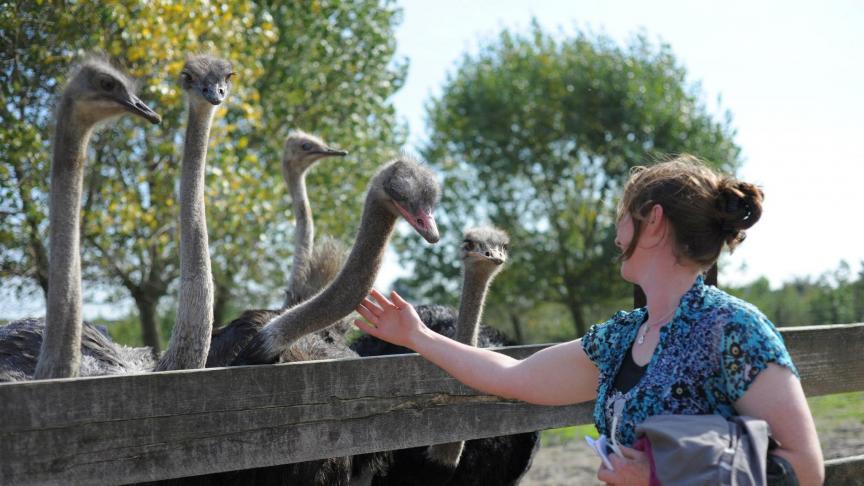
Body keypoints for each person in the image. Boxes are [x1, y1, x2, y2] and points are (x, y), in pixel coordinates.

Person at [354, 156, 824, 485]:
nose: (617, 234)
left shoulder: (736, 330)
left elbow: (804, 467)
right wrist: (417, 336)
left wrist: (663, 474)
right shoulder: (622, 338)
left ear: (653, 221)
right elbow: (514, 375)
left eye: (624, 217)